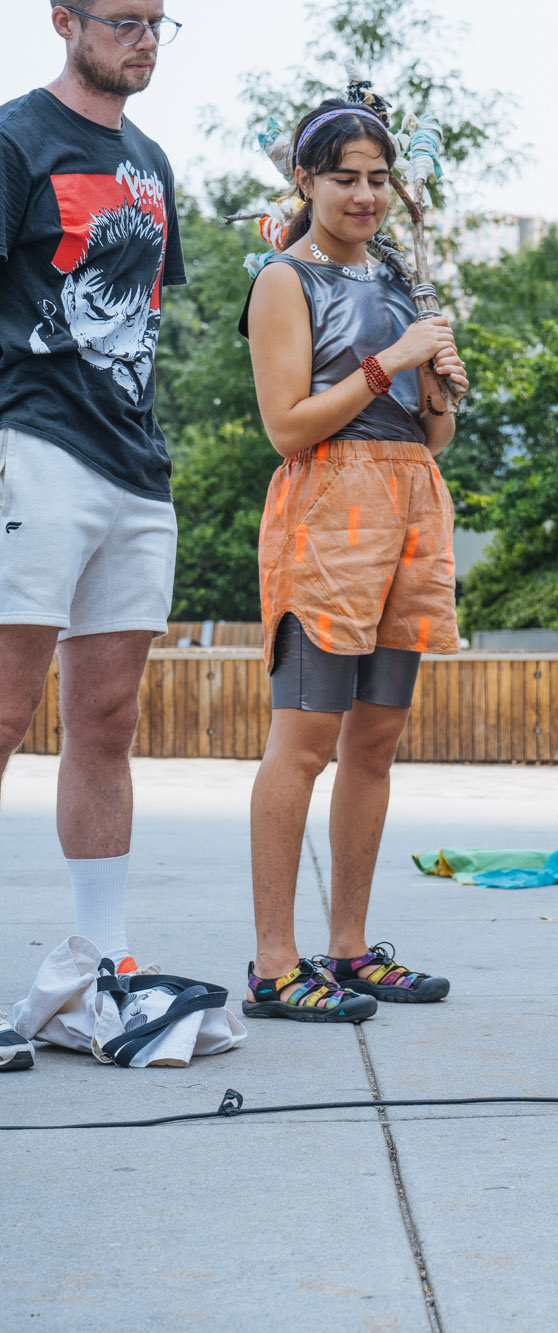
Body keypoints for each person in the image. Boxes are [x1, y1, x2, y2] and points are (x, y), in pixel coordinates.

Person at [238, 98, 468, 1023]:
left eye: (378, 178)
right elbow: (286, 427)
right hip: (328, 512)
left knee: (374, 744)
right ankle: (271, 962)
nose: (366, 194)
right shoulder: (282, 282)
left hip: (410, 506)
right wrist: (388, 362)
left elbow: (435, 437)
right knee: (304, 745)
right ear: (307, 181)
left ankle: (347, 948)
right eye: (345, 178)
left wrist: (438, 384)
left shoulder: (400, 281)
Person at [0, 0, 187, 1074]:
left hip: (133, 466)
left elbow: (145, 321)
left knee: (106, 719)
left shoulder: (153, 162)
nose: (145, 38)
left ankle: (102, 961)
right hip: (35, 449)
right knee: (6, 710)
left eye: (160, 22)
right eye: (122, 19)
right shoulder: (16, 138)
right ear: (63, 19)